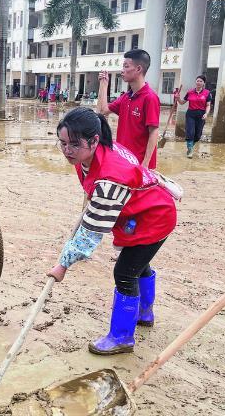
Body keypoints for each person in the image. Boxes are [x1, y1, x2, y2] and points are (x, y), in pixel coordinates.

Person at [47, 107, 177, 355]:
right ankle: (144, 313)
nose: (67, 151)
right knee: (138, 264)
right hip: (140, 213)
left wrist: (62, 266)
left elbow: (90, 234)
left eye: (74, 144)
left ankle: (122, 337)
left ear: (95, 140)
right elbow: (92, 192)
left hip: (154, 216)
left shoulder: (109, 177)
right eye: (62, 143)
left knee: (125, 272)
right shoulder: (92, 153)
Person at [97, 49, 160, 169]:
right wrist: (104, 84)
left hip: (140, 164)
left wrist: (145, 164)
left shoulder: (150, 98)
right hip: (123, 159)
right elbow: (102, 111)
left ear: (138, 69)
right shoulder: (126, 97)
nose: (122, 71)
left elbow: (153, 132)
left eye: (126, 66)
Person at [175, 75, 212, 158]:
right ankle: (190, 149)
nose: (198, 82)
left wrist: (206, 113)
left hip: (201, 115)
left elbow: (208, 105)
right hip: (190, 114)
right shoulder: (190, 92)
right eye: (197, 81)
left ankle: (191, 145)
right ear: (195, 82)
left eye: (201, 81)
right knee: (190, 132)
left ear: (203, 83)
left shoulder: (207, 93)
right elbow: (181, 102)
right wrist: (177, 98)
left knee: (198, 135)